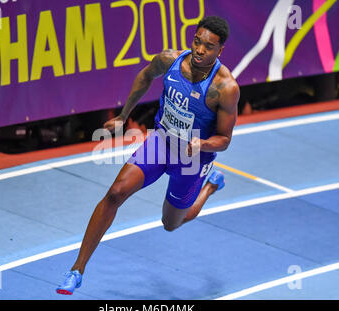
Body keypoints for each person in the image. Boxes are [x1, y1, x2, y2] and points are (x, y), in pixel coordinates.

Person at [56, 16, 240, 295]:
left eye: (209, 47)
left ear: (220, 51)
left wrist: (202, 145)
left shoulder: (225, 89)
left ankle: (210, 187)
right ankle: (77, 270)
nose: (201, 50)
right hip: (162, 142)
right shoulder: (170, 60)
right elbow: (144, 76)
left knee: (170, 224)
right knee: (116, 193)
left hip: (192, 160)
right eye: (197, 42)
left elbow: (225, 139)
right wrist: (123, 115)